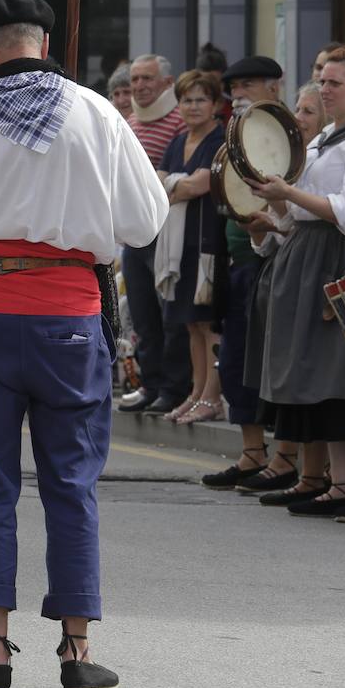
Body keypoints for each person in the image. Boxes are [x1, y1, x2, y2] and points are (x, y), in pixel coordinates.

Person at [0, 0, 168, 688]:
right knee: (72, 487)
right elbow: (145, 221)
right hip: (71, 320)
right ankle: (77, 650)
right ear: (43, 41)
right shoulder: (97, 112)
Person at [246, 47, 345, 520]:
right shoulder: (323, 141)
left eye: (335, 83)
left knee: (337, 374)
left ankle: (341, 482)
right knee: (318, 374)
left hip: (337, 258)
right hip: (308, 253)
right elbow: (301, 216)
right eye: (323, 82)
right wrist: (274, 218)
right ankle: (331, 480)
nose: (326, 90)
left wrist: (288, 193)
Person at [118, 54, 191, 414]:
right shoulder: (131, 121)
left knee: (170, 315)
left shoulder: (181, 121)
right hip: (136, 232)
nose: (140, 86)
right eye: (135, 79)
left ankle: (174, 387)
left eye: (148, 79)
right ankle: (151, 383)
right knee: (144, 314)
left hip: (168, 229)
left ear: (167, 83)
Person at [154, 70, 227, 425]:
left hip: (209, 240)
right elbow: (157, 181)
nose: (193, 106)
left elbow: (202, 184)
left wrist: (172, 183)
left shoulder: (220, 139)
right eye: (187, 99)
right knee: (189, 324)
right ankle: (196, 393)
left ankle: (212, 396)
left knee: (207, 322)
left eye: (201, 99)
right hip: (178, 244)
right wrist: (174, 184)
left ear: (215, 105)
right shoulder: (176, 140)